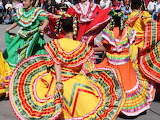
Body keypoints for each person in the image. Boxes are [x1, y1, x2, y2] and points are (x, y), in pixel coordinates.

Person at [9, 16, 125, 120]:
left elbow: (57, 63)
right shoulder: (81, 46)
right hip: (76, 82)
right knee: (88, 108)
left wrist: (59, 82)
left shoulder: (56, 43)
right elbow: (99, 50)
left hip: (56, 79)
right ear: (76, 30)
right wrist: (106, 46)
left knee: (52, 107)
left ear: (62, 30)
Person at [3, 0, 49, 68]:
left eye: (25, 1)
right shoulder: (21, 11)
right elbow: (17, 22)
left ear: (31, 1)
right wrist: (8, 28)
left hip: (34, 37)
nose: (24, 3)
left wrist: (42, 27)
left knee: (33, 54)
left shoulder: (37, 11)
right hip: (22, 36)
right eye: (23, 1)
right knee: (13, 51)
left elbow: (46, 20)